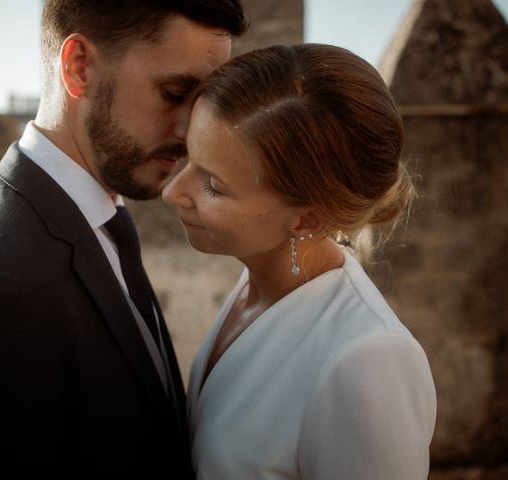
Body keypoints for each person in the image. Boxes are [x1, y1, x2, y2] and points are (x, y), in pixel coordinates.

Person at [0, 1, 246, 478]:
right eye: (174, 92)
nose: (188, 131)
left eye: (201, 101)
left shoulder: (98, 217)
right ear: (79, 67)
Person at [162, 44, 437, 479]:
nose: (172, 193)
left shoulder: (368, 363)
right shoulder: (256, 283)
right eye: (189, 158)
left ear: (308, 217)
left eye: (212, 184)